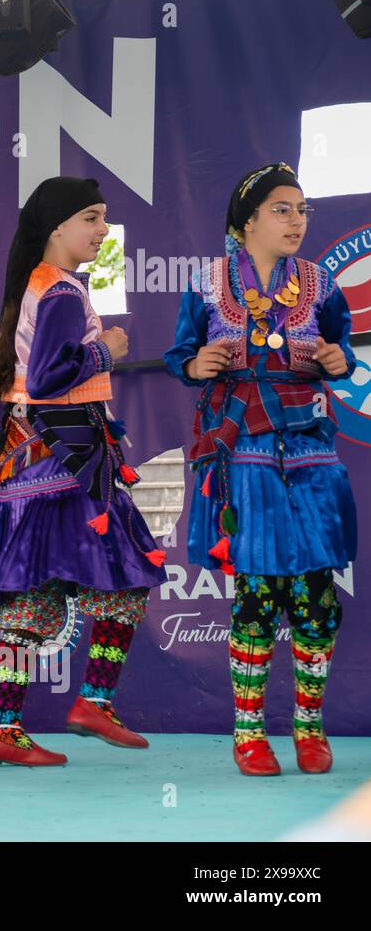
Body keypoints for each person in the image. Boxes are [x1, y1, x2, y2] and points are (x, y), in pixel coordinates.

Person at [0, 176, 167, 767]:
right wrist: (109, 350)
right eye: (93, 219)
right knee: (103, 584)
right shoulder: (61, 294)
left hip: (53, 462)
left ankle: (18, 720)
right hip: (61, 463)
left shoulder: (50, 286)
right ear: (57, 228)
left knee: (52, 592)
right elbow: (50, 379)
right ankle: (58, 710)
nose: (103, 231)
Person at [163, 162, 355, 776]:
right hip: (242, 443)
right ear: (247, 221)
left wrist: (334, 359)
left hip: (308, 444)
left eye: (302, 210)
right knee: (258, 590)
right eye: (282, 209)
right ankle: (248, 731)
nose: (296, 220)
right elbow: (179, 353)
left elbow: (344, 349)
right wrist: (197, 367)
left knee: (316, 593)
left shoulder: (320, 283)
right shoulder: (209, 281)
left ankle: (309, 727)